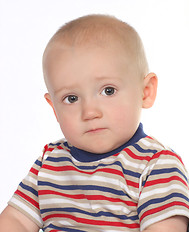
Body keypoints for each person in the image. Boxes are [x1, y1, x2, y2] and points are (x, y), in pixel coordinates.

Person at [0, 14, 189, 232]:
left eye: (108, 91)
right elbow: (15, 220)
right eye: (71, 98)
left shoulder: (156, 166)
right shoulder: (50, 163)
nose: (89, 112)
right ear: (54, 108)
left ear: (145, 92)